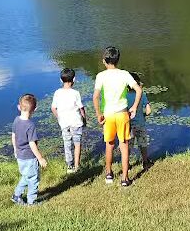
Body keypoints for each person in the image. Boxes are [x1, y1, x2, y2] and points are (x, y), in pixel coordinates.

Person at [92, 46, 142, 187]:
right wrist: (134, 107)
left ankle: (109, 173)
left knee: (110, 144)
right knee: (124, 145)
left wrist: (98, 114)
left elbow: (95, 97)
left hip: (108, 115)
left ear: (104, 61)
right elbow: (138, 90)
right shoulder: (125, 74)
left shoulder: (100, 76)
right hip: (122, 114)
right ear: (118, 60)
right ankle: (125, 179)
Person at [11, 94, 47, 205]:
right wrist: (40, 158)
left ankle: (16, 195)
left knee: (26, 176)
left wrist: (15, 149)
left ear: (19, 107)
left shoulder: (16, 120)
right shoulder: (30, 125)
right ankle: (32, 201)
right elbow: (32, 144)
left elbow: (13, 135)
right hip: (29, 158)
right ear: (35, 109)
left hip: (20, 156)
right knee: (33, 179)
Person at [51, 68, 86, 173]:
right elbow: (81, 108)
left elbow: (53, 108)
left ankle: (69, 166)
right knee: (77, 144)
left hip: (64, 123)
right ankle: (76, 166)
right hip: (76, 122)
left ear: (61, 80)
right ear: (74, 79)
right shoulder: (76, 93)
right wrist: (84, 118)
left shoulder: (57, 93)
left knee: (67, 143)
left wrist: (59, 117)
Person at [127, 72, 152, 169]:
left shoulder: (124, 96)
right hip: (140, 124)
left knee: (128, 145)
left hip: (129, 125)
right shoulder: (142, 94)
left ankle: (127, 164)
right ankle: (145, 162)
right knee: (143, 144)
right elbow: (149, 111)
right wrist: (143, 115)